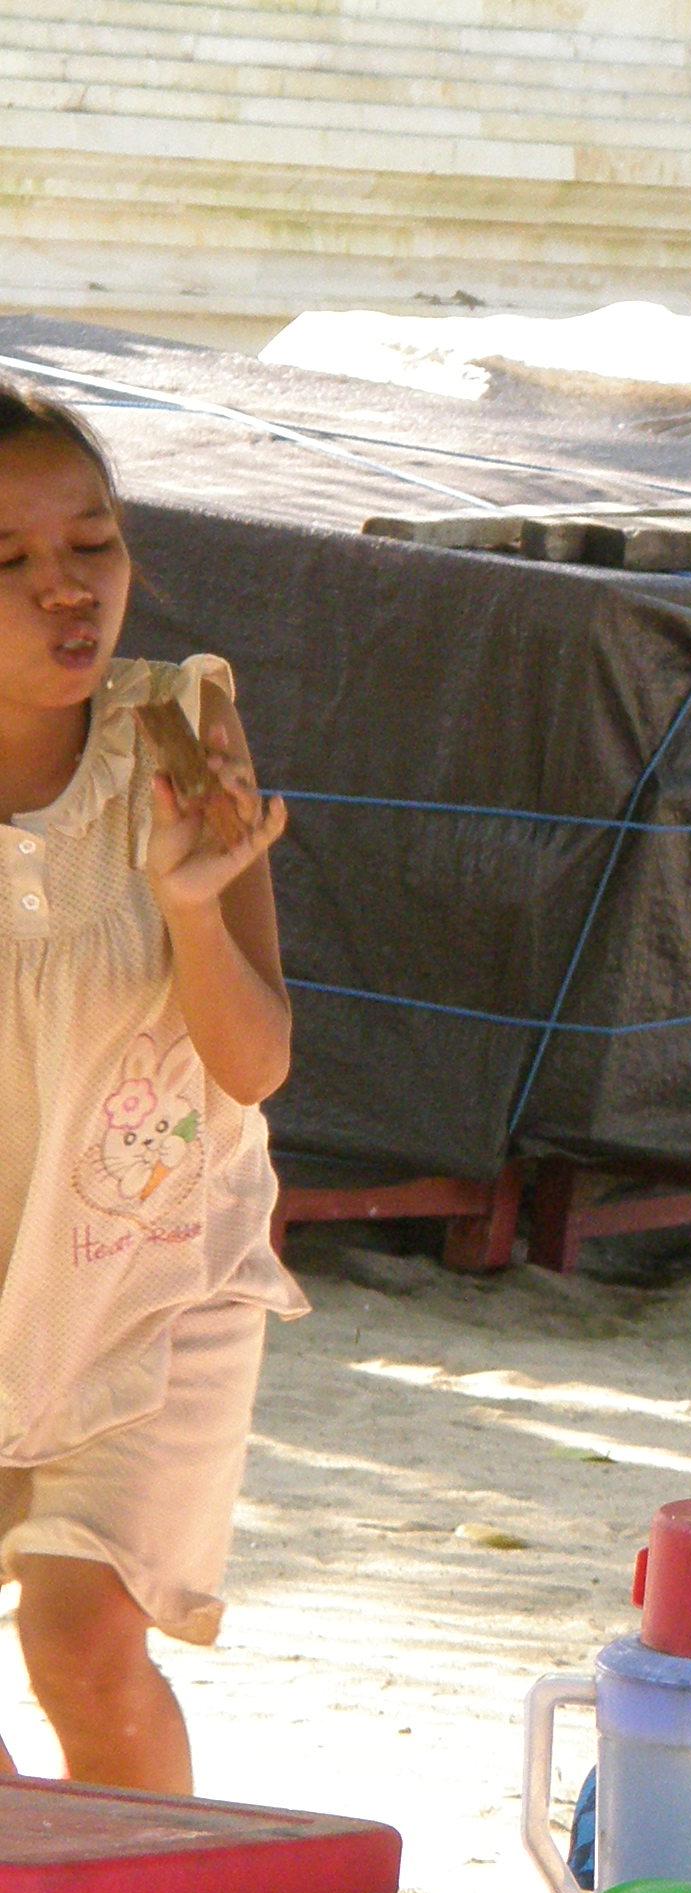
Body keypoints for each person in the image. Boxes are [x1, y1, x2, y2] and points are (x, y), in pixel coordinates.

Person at [0, 382, 304, 1793]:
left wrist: (192, 905)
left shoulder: (180, 730)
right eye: (8, 561)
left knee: (82, 1646)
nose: (68, 592)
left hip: (151, 1273)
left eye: (94, 544)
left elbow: (252, 1065)